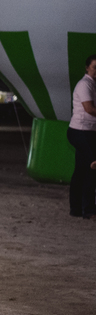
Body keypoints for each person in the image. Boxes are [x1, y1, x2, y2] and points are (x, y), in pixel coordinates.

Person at [66, 55, 96, 218]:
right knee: (91, 167)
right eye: (95, 67)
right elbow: (89, 109)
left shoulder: (93, 84)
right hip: (80, 131)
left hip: (88, 132)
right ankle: (87, 208)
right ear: (87, 68)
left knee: (81, 170)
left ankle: (77, 208)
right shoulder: (84, 84)